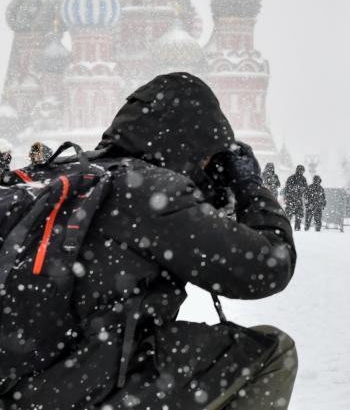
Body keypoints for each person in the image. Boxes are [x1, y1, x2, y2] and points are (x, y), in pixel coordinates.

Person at [0, 72, 297, 409]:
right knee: (273, 350)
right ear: (193, 142)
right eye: (206, 158)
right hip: (73, 389)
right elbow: (269, 266)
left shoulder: (55, 173)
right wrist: (249, 186)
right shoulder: (151, 190)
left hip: (17, 382)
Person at [284, 165, 308, 231]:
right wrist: (289, 195)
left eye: (302, 170)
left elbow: (306, 189)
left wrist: (303, 189)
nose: (301, 172)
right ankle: (286, 228)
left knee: (298, 215)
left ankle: (296, 228)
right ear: (297, 170)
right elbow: (287, 188)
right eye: (300, 170)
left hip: (298, 200)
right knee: (289, 215)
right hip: (291, 199)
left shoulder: (303, 179)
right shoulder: (291, 178)